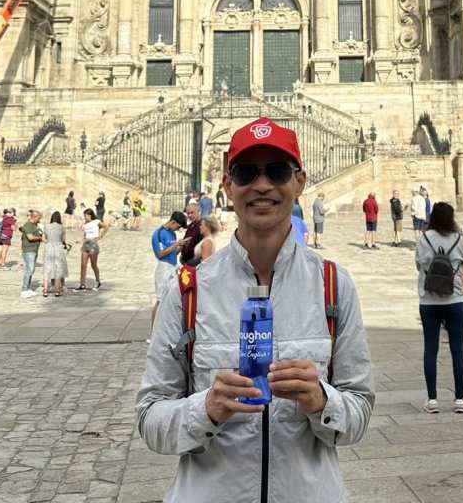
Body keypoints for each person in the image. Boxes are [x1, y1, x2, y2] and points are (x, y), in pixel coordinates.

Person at [136, 117, 374, 503]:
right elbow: (150, 419)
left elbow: (359, 411)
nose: (262, 186)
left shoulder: (334, 286)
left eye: (277, 171)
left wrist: (322, 402)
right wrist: (206, 409)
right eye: (246, 173)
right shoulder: (188, 291)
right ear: (228, 186)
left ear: (300, 181)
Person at [415, 201, 463, 414]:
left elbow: (419, 264)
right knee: (458, 349)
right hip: (456, 299)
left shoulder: (424, 239)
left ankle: (432, 399)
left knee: (430, 348)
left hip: (429, 300)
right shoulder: (459, 239)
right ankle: (459, 400)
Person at [151, 211, 188, 331]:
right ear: (173, 222)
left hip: (172, 266)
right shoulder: (158, 233)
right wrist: (176, 244)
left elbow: (173, 253)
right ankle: (153, 331)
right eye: (178, 226)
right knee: (160, 300)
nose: (178, 229)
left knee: (170, 299)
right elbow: (161, 254)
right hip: (163, 267)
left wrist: (181, 247)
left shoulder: (172, 234)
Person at [73, 208, 110, 291]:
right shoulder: (85, 224)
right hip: (85, 245)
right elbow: (85, 234)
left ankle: (97, 281)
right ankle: (82, 285)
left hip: (93, 245)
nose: (84, 217)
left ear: (90, 215)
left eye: (85, 215)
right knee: (83, 265)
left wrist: (100, 236)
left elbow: (106, 226)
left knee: (93, 265)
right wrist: (80, 239)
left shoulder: (96, 221)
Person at [42, 212, 69, 297]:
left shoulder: (46, 226)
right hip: (58, 248)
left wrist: (49, 242)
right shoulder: (62, 227)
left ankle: (45, 290)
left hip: (49, 247)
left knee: (47, 268)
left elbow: (43, 238)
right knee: (58, 268)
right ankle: (57, 290)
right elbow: (63, 240)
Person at [20, 210, 44, 298]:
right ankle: (24, 290)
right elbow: (30, 237)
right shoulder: (28, 225)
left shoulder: (34, 225)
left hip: (34, 250)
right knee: (29, 270)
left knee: (32, 269)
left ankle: (28, 289)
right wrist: (40, 238)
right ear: (35, 217)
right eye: (39, 218)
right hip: (28, 250)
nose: (40, 219)